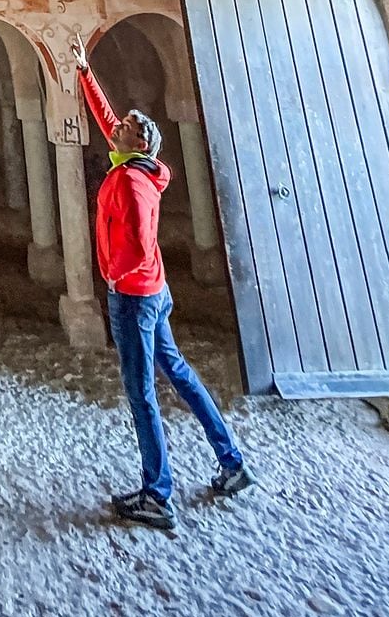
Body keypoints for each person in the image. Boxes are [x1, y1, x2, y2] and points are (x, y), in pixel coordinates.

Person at [68, 31, 254, 530]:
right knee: (181, 376)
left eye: (126, 127)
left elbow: (139, 245)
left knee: (142, 394)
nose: (117, 129)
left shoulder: (130, 183)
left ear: (141, 142)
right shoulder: (139, 167)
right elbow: (106, 120)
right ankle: (231, 461)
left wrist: (113, 277)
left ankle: (158, 494)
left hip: (134, 297)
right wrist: (86, 72)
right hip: (154, 294)